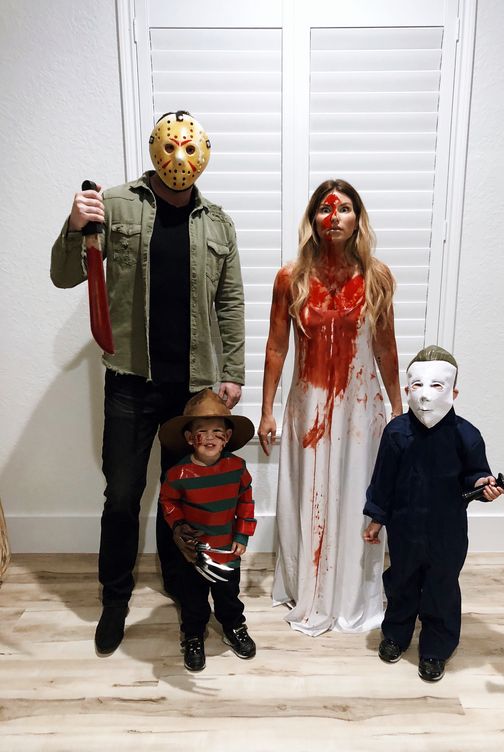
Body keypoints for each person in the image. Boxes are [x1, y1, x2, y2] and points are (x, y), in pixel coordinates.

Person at [50, 111, 245, 654]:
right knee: (122, 495)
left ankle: (182, 588)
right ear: (156, 149)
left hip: (193, 389)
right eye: (171, 147)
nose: (180, 159)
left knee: (181, 493)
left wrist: (232, 370)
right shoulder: (113, 204)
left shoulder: (218, 224)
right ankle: (115, 597)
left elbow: (230, 301)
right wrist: (74, 225)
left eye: (190, 149)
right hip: (131, 381)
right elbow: (65, 275)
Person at [258, 179, 403, 636]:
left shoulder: (377, 277)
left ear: (357, 218)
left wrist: (398, 409)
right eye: (325, 209)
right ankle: (309, 585)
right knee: (309, 493)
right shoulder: (291, 278)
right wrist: (266, 410)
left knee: (358, 491)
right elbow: (276, 347)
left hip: (361, 407)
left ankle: (352, 590)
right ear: (313, 220)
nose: (334, 216)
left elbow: (386, 347)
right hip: (309, 405)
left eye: (343, 209)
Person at [363, 345, 504, 682]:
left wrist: (483, 485)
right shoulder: (396, 433)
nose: (425, 395)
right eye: (417, 385)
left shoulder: (467, 436)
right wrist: (376, 517)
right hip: (405, 526)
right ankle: (396, 633)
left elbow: (475, 475)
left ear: (453, 392)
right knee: (402, 581)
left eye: (437, 386)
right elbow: (383, 480)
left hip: (448, 529)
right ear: (407, 389)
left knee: (442, 585)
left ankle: (436, 646)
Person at [158, 389, 257, 672]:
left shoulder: (237, 468)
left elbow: (246, 501)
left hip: (226, 549)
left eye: (217, 432)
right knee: (193, 598)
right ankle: (193, 635)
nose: (210, 438)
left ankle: (233, 626)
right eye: (202, 432)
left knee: (228, 594)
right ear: (190, 438)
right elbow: (168, 502)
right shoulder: (177, 474)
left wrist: (242, 535)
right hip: (194, 553)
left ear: (227, 436)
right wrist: (178, 525)